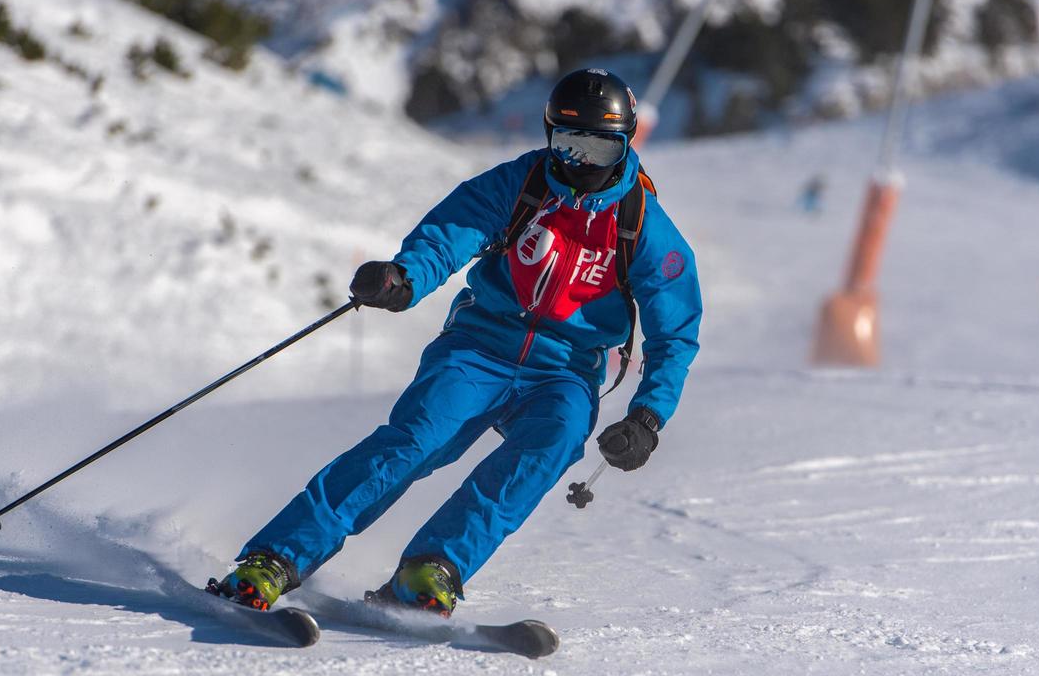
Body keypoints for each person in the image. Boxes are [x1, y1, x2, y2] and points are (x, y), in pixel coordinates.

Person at [209, 69, 703, 616]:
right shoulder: (523, 184)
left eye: (599, 147)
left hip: (565, 370)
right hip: (479, 347)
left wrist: (647, 418)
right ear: (548, 135)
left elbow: (674, 332)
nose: (582, 162)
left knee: (554, 440)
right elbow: (454, 230)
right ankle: (278, 557)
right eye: (568, 144)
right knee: (414, 440)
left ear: (625, 141)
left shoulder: (643, 227)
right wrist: (406, 277)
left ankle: (432, 568)